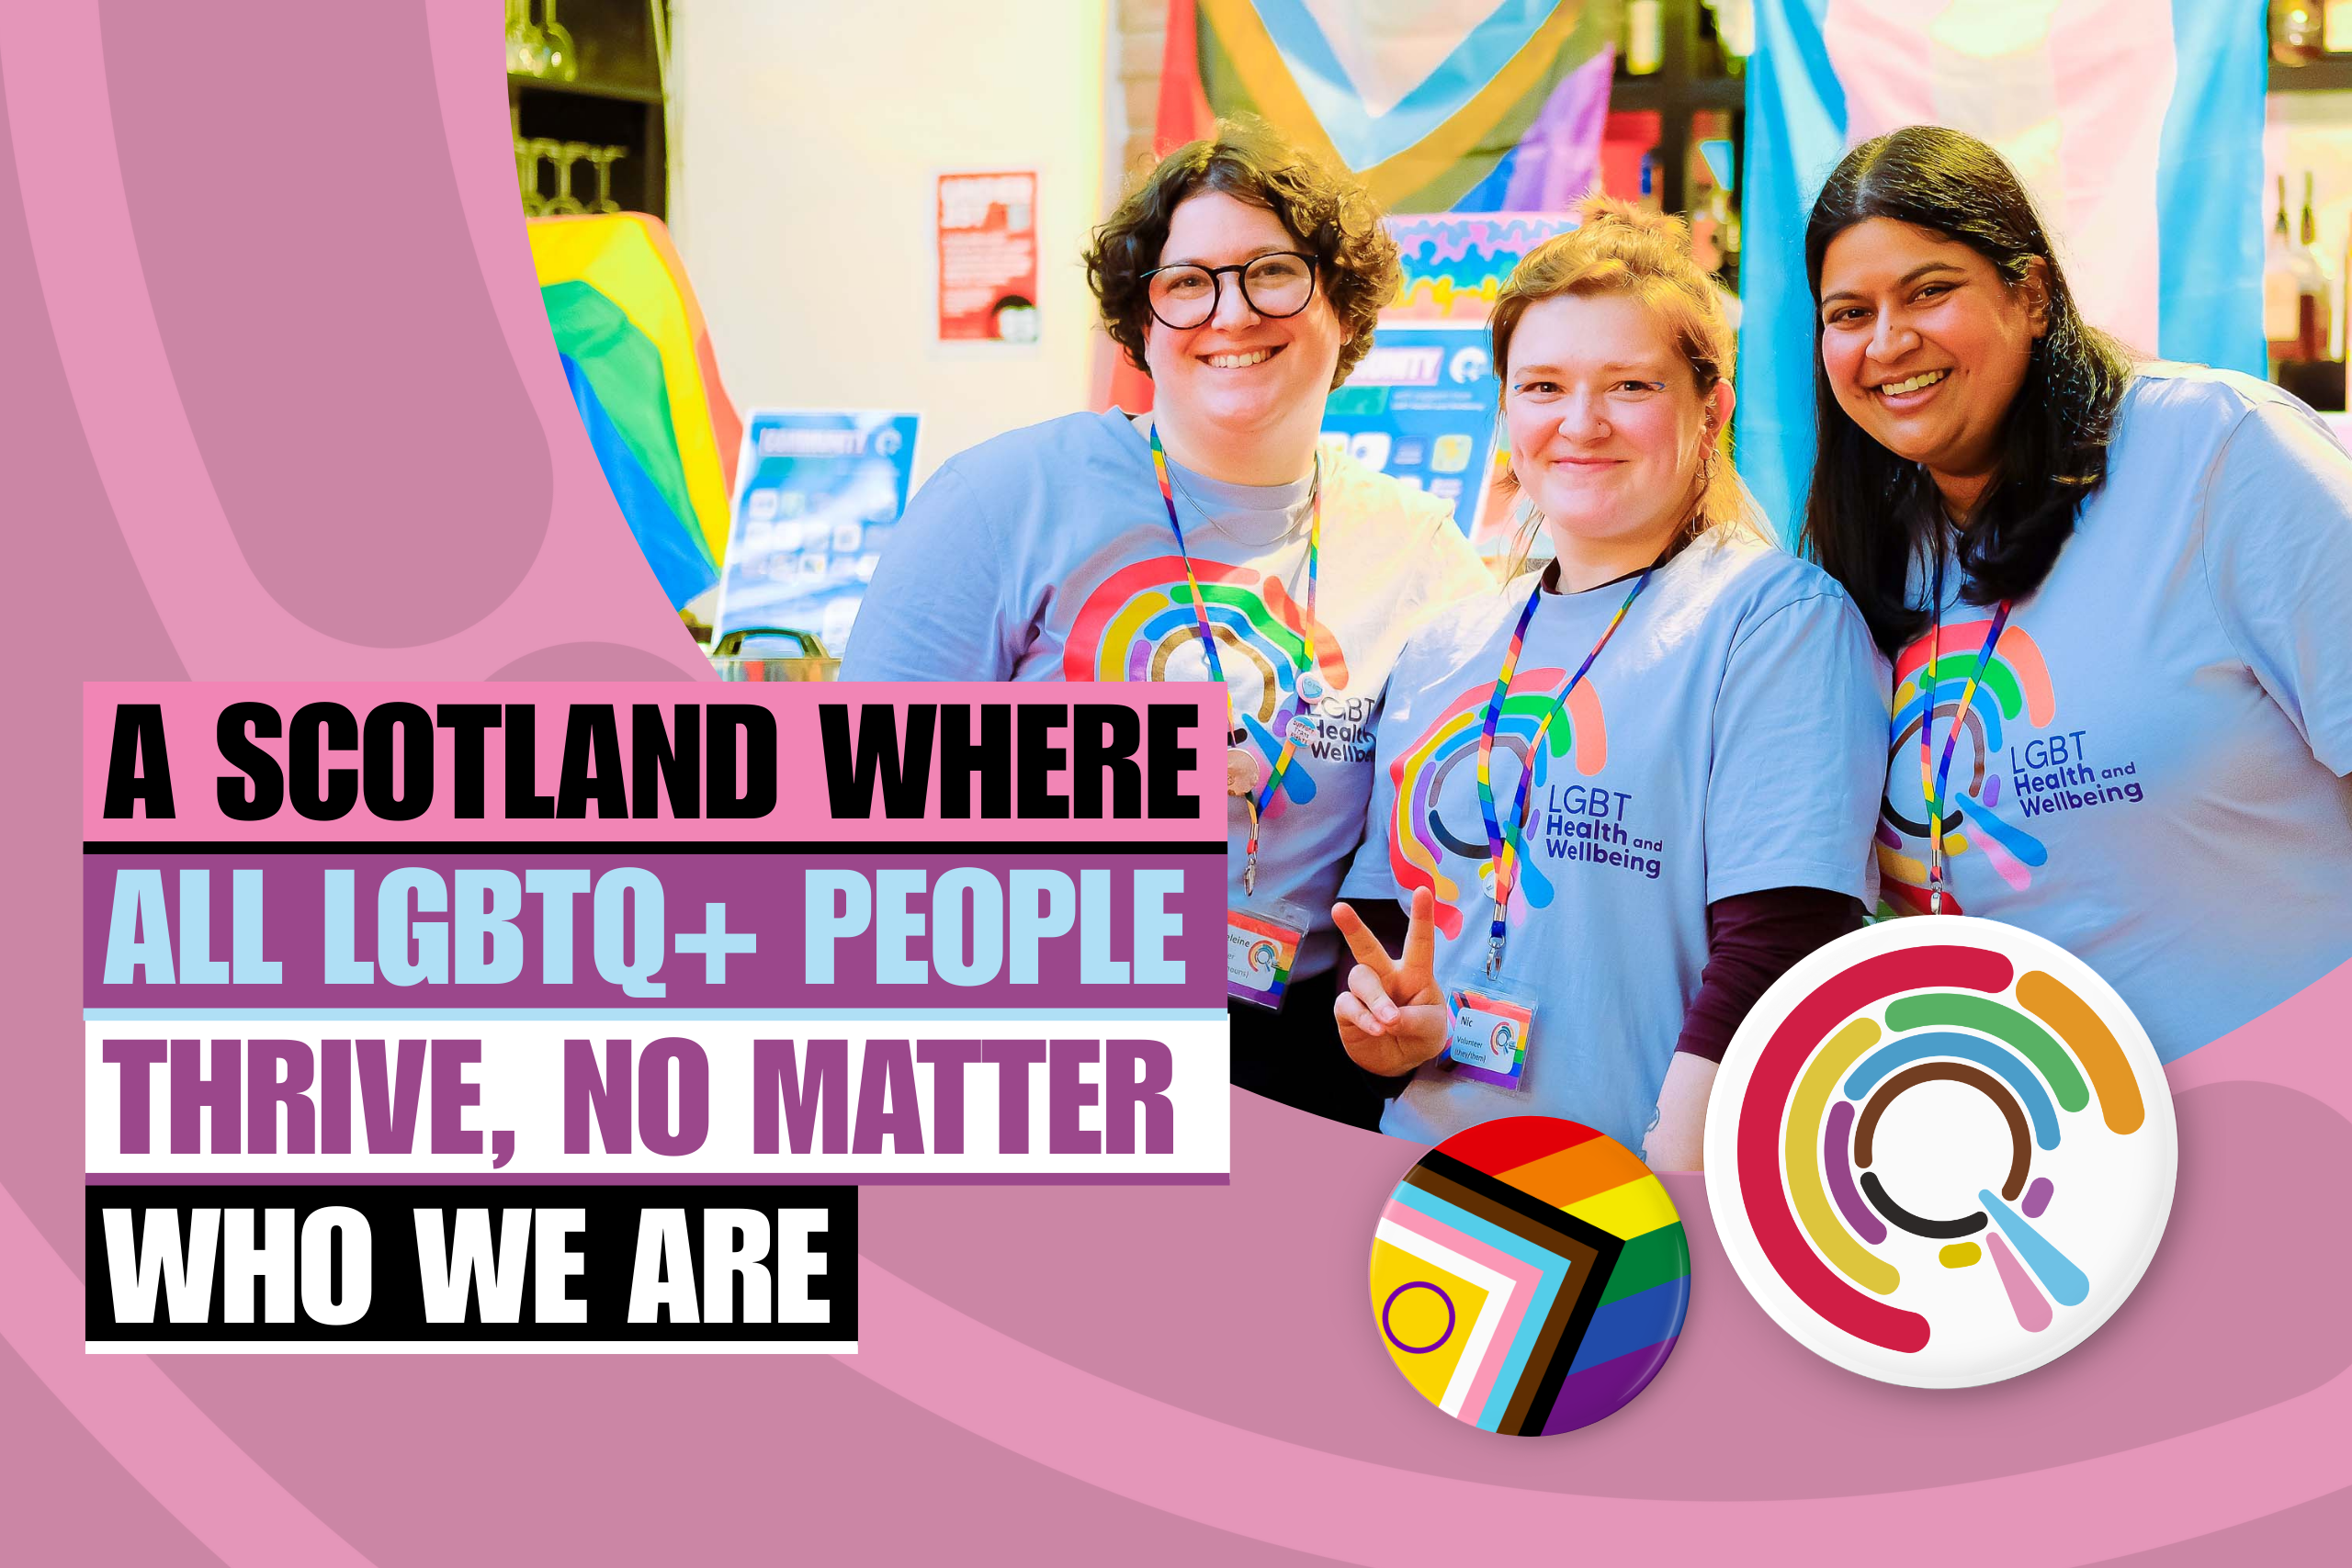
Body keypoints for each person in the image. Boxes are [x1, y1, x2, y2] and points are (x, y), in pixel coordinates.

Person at [841, 118, 1491, 1128]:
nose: (1229, 313)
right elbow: (861, 791)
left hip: (1296, 1057)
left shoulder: (1420, 553)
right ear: (1141, 320)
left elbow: (1442, 843)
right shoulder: (1005, 497)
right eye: (1187, 282)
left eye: (1273, 273)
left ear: (1346, 305)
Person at [1330, 199, 1884, 1168]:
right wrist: (1387, 1024)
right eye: (1542, 385)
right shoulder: (1441, 649)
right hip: (1426, 1176)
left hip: (1642, 1189)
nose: (1579, 423)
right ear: (1504, 410)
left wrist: (1671, 1189)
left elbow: (1781, 945)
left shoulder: (1773, 618)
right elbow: (1391, 934)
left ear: (1708, 408)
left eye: (1629, 384)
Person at [1802, 125, 2352, 1062]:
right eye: (1847, 313)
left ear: (2031, 294)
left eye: (1930, 291)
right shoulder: (1872, 551)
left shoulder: (2216, 453)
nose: (1888, 342)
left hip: (2300, 1107)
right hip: (2042, 1151)